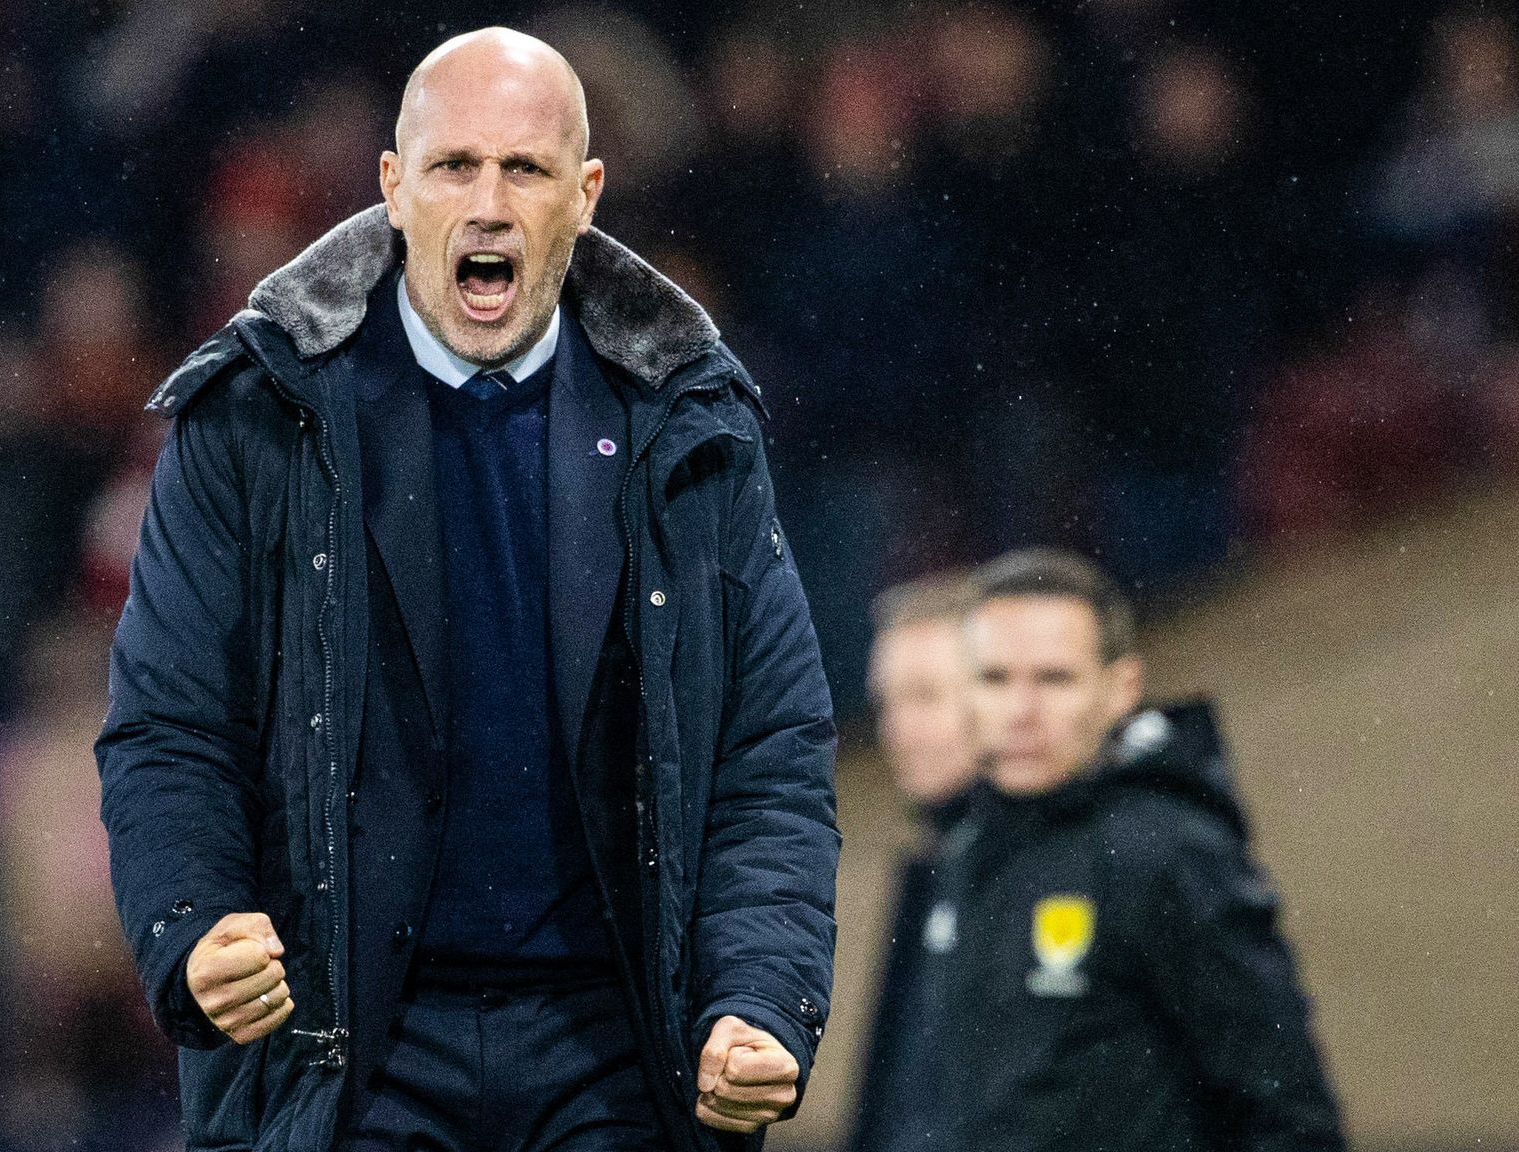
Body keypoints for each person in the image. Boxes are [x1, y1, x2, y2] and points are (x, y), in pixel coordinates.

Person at [95, 26, 839, 1152]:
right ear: (393, 189)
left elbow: (767, 751)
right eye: (454, 166)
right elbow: (169, 724)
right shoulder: (253, 420)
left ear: (584, 196)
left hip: (616, 1057)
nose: (487, 202)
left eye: (526, 170)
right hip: (345, 1054)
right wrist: (189, 921)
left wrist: (756, 997)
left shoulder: (690, 427)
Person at [916, 547, 1345, 1151]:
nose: (1020, 711)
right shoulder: (970, 848)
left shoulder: (1166, 852)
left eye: (1054, 678)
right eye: (994, 679)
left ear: (1122, 688)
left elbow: (1288, 1112)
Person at [847, 571, 981, 1152]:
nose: (897, 729)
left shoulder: (1062, 874)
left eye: (926, 695)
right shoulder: (930, 865)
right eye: (887, 702)